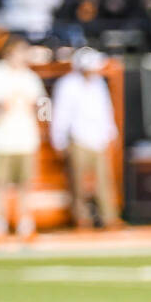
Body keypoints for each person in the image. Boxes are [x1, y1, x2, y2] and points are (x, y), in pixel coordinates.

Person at [50, 47, 120, 229]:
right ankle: (82, 219)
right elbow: (61, 114)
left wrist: (111, 133)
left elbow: (105, 110)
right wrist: (58, 140)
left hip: (98, 138)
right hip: (78, 138)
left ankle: (109, 217)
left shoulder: (98, 84)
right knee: (78, 182)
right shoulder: (67, 84)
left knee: (104, 181)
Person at [0, 36, 48, 241]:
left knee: (25, 184)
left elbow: (44, 106)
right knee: (0, 184)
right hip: (2, 139)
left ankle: (24, 221)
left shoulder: (30, 77)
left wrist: (37, 111)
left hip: (26, 138)